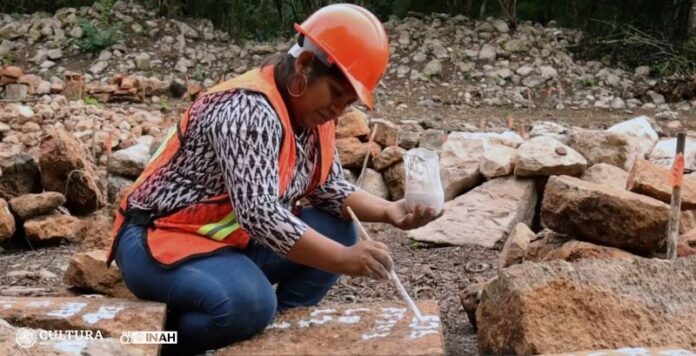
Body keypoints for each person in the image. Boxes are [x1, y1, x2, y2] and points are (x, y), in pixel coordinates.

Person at [106, 4, 440, 355]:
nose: (338, 110)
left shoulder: (313, 116)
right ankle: (158, 342)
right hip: (157, 239)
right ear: (304, 66)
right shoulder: (248, 110)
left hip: (226, 243)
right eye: (335, 93)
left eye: (349, 102)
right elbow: (260, 215)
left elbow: (328, 189)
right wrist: (344, 260)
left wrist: (392, 211)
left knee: (338, 230)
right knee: (249, 303)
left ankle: (270, 338)